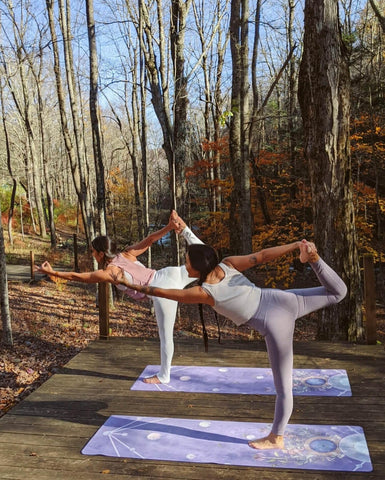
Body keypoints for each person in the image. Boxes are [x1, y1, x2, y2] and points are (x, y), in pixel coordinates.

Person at [115, 239, 347, 450]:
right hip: (281, 299)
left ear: (197, 268)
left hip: (275, 323)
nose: (185, 267)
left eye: (187, 264)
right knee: (339, 292)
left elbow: (166, 292)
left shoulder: (204, 292)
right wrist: (296, 245)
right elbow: (264, 255)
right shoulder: (227, 263)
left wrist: (132, 284)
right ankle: (314, 259)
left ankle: (276, 437)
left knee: (283, 389)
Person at [35, 210, 203, 385]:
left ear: (101, 253)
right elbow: (151, 239)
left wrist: (53, 272)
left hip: (161, 289)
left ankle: (164, 376)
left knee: (165, 336)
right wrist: (169, 227)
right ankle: (184, 230)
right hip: (170, 273)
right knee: (206, 262)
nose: (92, 254)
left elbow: (78, 277)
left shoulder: (110, 272)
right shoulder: (126, 254)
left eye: (93, 251)